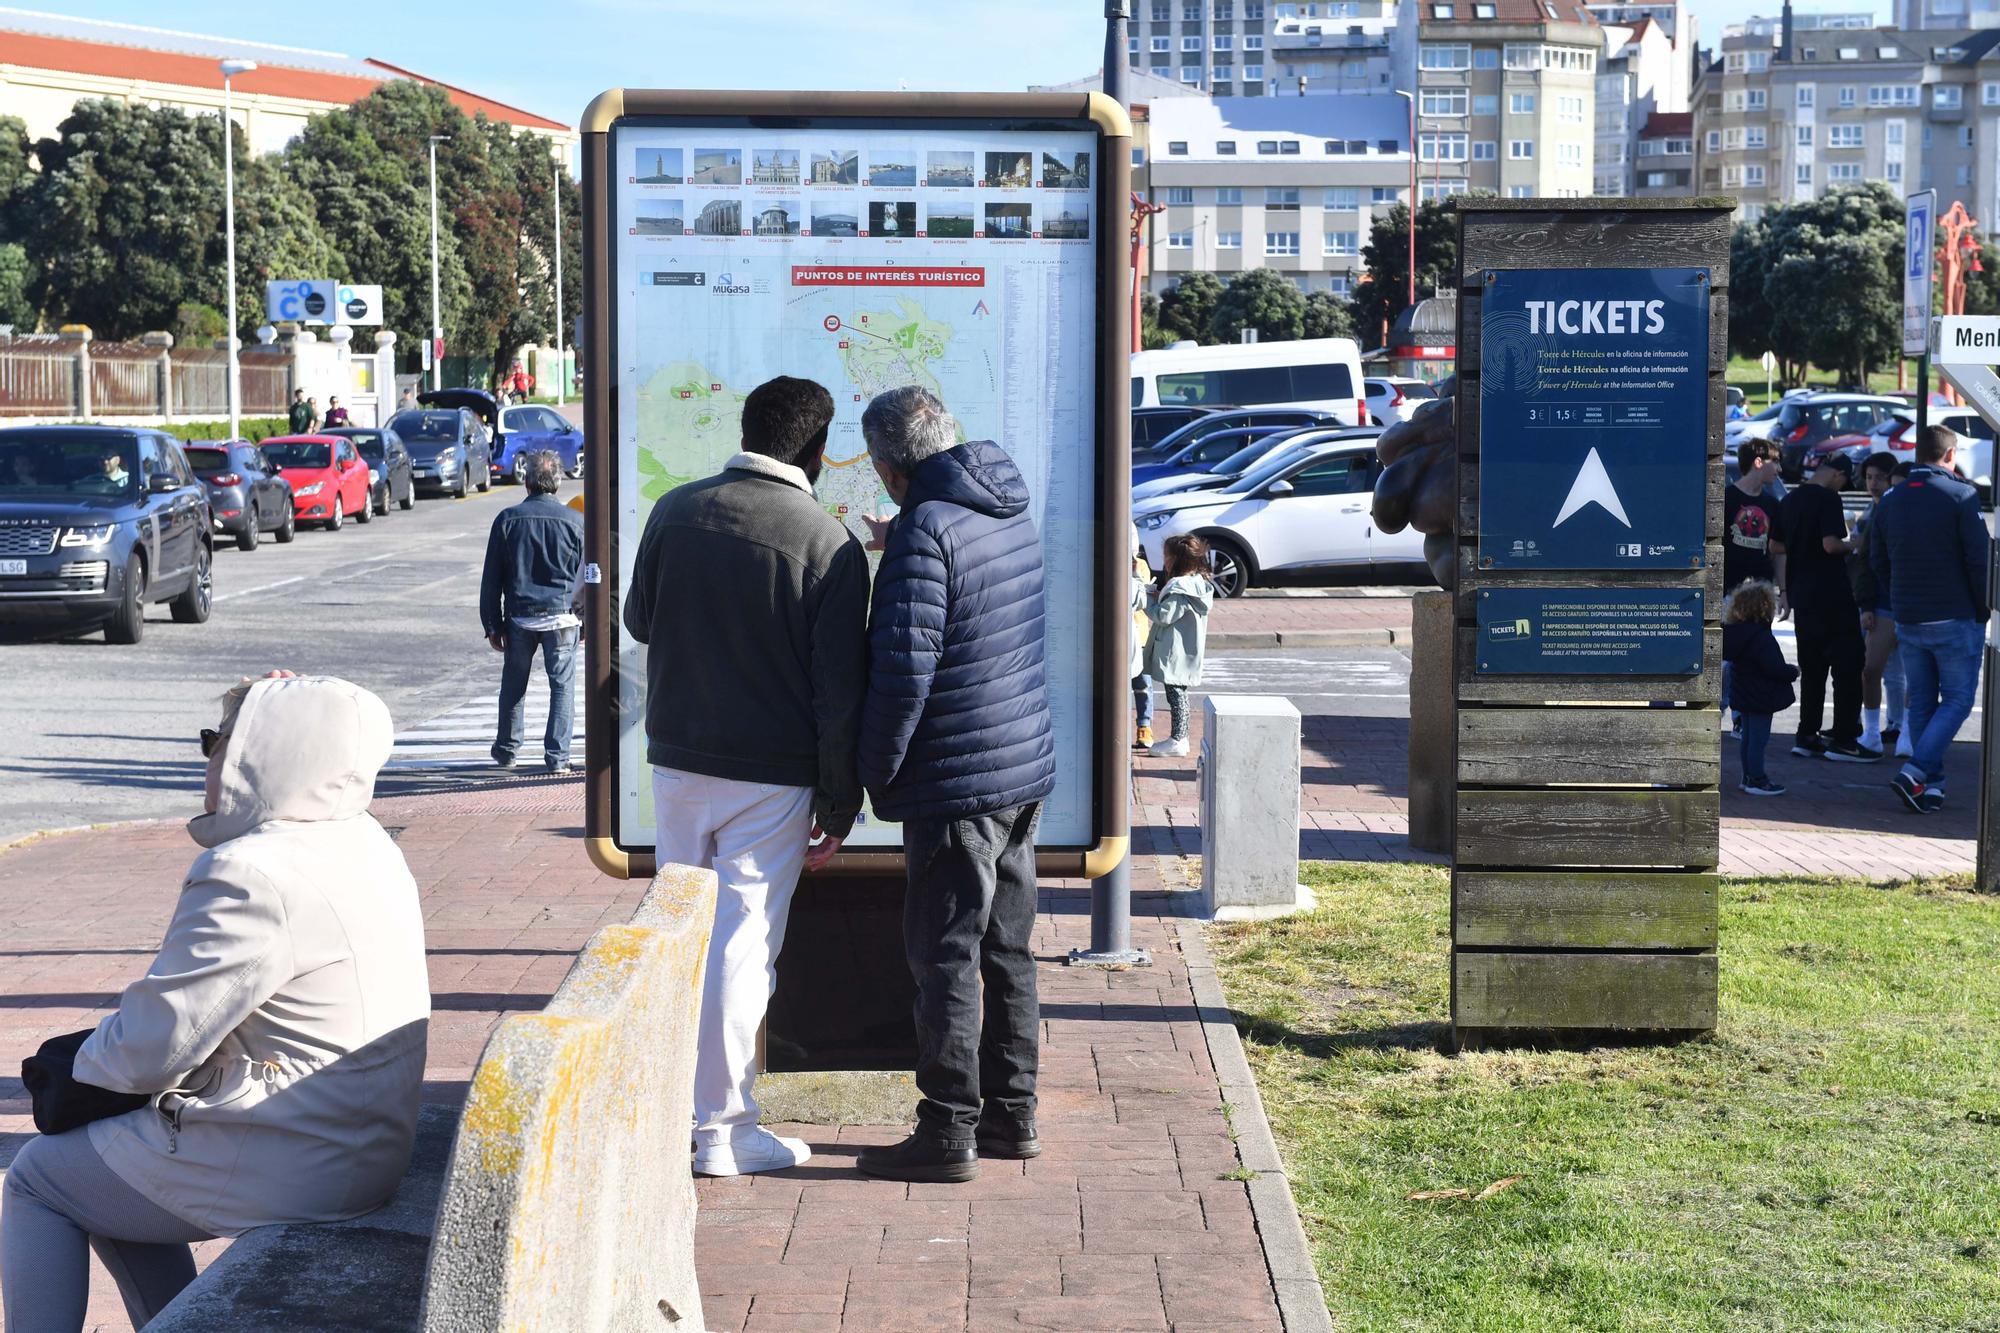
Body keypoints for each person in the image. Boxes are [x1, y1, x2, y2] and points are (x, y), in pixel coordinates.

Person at [0, 674, 429, 1331]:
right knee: (110, 1161)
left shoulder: (254, 870)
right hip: (358, 1136)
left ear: (260, 756)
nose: (207, 759)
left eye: (215, 742)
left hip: (300, 1155)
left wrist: (74, 1065)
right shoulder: (364, 839)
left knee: (38, 1178)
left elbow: (153, 1048)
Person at [622, 376, 867, 1177]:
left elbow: (639, 619)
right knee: (741, 945)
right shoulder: (827, 544)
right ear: (819, 450)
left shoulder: (676, 510)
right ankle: (723, 1129)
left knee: (676, 934)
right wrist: (838, 799)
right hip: (773, 773)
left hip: (679, 758)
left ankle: (669, 1109)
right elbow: (839, 693)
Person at [853, 386, 1055, 1185]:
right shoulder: (1001, 507)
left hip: (954, 778)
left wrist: (873, 771)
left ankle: (946, 1128)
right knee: (1009, 947)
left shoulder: (924, 532)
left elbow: (904, 674)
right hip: (1019, 765)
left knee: (944, 954)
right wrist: (899, 542)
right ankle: (1014, 1114)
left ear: (891, 466)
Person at [1869, 424, 1990, 813]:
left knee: (1921, 702)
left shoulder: (1891, 498)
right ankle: (1918, 769)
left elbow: (1877, 558)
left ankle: (1931, 785)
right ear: (1950, 455)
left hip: (1908, 614)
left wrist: (1897, 594)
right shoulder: (1961, 494)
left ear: (1917, 453)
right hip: (1954, 614)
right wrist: (1982, 606)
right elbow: (1978, 558)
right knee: (1957, 699)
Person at [481, 450, 585, 773]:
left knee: (514, 683)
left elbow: (492, 578)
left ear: (526, 482)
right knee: (562, 686)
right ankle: (557, 757)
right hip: (564, 615)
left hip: (520, 615)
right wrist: (587, 622)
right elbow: (587, 575)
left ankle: (507, 750)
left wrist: (492, 624)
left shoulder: (507, 520)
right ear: (558, 483)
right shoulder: (577, 522)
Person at [1778, 452, 1874, 761]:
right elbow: (1830, 544)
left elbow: (1775, 546)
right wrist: (1855, 545)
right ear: (1837, 474)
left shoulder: (1790, 500)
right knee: (1848, 663)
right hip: (1832, 594)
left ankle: (1807, 734)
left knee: (1813, 667)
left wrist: (1785, 589)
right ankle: (1845, 738)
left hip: (1802, 595)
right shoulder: (1828, 500)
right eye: (1844, 481)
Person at [1722, 439, 1787, 730]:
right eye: (1775, 462)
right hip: (1727, 592)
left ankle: (1741, 718)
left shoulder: (1773, 505)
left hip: (1761, 596)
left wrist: (1782, 592)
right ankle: (1718, 710)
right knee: (1724, 658)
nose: (1780, 469)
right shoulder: (1726, 499)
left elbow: (1778, 552)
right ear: (1759, 462)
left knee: (1756, 657)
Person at [1851, 451, 1907, 756]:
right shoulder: (1870, 512)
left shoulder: (1890, 509)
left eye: (1879, 478)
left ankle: (1898, 725)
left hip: (1897, 600)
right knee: (1877, 668)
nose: (1873, 483)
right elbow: (1865, 561)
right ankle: (1883, 727)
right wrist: (1866, 604)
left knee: (1898, 671)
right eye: (1869, 477)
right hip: (1879, 600)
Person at [1722, 580, 1797, 796]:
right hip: (1761, 696)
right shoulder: (1760, 637)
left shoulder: (1736, 634)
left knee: (1748, 739)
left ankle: (1748, 776)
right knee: (1758, 739)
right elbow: (1773, 667)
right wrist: (1792, 671)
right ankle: (1756, 778)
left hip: (1744, 693)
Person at [1146, 534, 1216, 759]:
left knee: (1175, 694)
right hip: (1184, 650)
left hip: (1174, 651)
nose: (1163, 560)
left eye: (1166, 556)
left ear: (1176, 560)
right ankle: (1180, 738)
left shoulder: (1179, 589)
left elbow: (1164, 616)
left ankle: (1178, 739)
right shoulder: (1196, 583)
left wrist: (1147, 600)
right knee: (1179, 694)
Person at [1130, 524, 1155, 750]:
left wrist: (1135, 572)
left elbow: (1141, 596)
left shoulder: (1142, 566)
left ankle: (1144, 726)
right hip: (1127, 634)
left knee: (1143, 685)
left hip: (1139, 632)